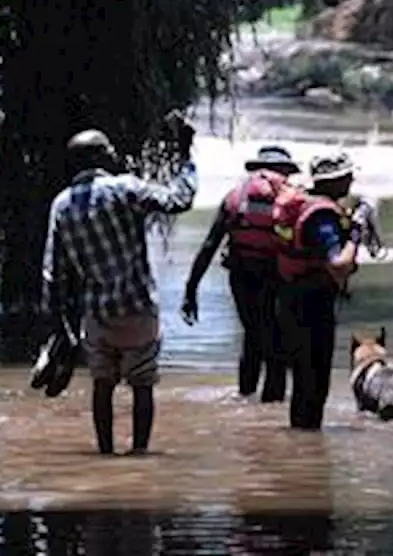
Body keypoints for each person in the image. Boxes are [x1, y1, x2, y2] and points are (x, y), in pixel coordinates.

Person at [41, 119, 197, 456]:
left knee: (102, 385)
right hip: (138, 308)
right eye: (109, 150)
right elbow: (179, 200)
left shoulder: (62, 205)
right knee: (142, 385)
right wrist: (185, 155)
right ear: (99, 158)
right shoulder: (126, 189)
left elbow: (54, 275)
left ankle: (105, 454)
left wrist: (60, 331)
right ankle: (140, 455)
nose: (116, 155)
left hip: (97, 314)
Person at [182, 145, 301, 401]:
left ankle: (245, 397)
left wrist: (191, 289)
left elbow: (209, 246)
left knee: (252, 335)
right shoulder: (292, 199)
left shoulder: (235, 197)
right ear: (284, 171)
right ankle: (271, 409)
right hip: (277, 278)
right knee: (275, 345)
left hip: (242, 277)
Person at [272, 153, 371, 430]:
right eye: (347, 176)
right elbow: (340, 265)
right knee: (314, 384)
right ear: (334, 181)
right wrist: (355, 234)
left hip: (291, 298)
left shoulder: (305, 206)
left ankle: (299, 443)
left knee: (304, 383)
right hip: (311, 306)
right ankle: (307, 445)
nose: (352, 180)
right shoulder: (323, 216)